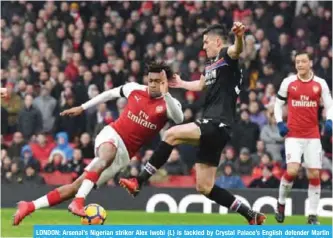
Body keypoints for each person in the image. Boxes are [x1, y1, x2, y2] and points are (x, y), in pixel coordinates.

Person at [120, 23, 266, 225]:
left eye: (206, 42)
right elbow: (200, 85)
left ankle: (139, 181)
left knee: (171, 134)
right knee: (204, 187)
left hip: (217, 123)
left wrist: (240, 37)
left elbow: (237, 49)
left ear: (217, 41)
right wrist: (180, 84)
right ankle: (251, 215)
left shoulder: (226, 55)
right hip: (218, 129)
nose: (204, 46)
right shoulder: (211, 65)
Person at [12, 62, 183, 225]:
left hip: (123, 156)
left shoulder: (170, 104)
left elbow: (179, 118)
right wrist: (83, 107)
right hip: (112, 134)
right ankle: (78, 202)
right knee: (106, 155)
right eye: (150, 80)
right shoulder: (135, 89)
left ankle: (29, 206)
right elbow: (109, 94)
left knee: (75, 187)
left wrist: (166, 93)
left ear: (164, 82)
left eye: (157, 81)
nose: (152, 84)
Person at [274, 51, 333, 225]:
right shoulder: (289, 82)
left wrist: (329, 120)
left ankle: (312, 215)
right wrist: (279, 122)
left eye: (303, 61)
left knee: (314, 173)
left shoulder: (320, 84)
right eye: (297, 62)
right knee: (292, 170)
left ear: (310, 63)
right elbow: (278, 104)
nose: (299, 64)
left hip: (312, 135)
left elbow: (330, 105)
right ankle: (281, 203)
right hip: (293, 134)